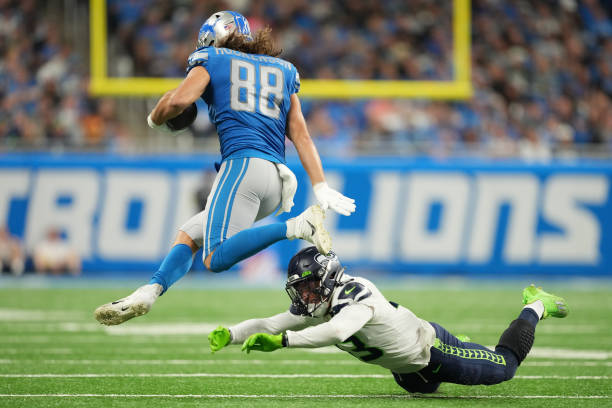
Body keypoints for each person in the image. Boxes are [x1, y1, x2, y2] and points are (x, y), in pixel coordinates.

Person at [94, 11, 355, 325]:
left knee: (215, 258)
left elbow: (179, 102)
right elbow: (300, 133)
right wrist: (320, 186)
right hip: (277, 180)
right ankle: (149, 292)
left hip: (242, 167)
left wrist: (156, 117)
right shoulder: (284, 69)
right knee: (190, 235)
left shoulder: (213, 58)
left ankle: (297, 227)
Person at [208, 247, 569, 393]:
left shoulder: (355, 292)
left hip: (431, 350)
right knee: (420, 390)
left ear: (328, 279)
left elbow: (337, 330)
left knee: (504, 368)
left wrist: (285, 344)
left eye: (308, 287)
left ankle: (535, 305)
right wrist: (233, 334)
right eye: (300, 290)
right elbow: (272, 324)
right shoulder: (322, 302)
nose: (304, 297)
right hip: (407, 369)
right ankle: (467, 349)